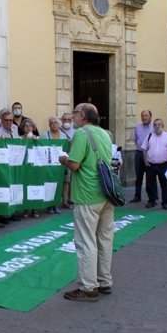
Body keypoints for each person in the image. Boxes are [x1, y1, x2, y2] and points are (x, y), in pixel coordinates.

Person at [58, 103, 115, 302]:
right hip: (106, 194)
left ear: (82, 116)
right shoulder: (105, 134)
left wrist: (64, 159)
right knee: (104, 239)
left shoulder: (82, 134)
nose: (72, 117)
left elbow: (74, 164)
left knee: (85, 242)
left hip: (87, 195)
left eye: (74, 113)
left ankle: (89, 287)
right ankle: (104, 280)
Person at [141, 119, 167, 210]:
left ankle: (165, 202)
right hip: (151, 165)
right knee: (149, 184)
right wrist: (145, 161)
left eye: (159, 124)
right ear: (153, 126)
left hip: (164, 165)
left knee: (165, 184)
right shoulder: (149, 136)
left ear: (163, 126)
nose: (157, 126)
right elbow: (144, 149)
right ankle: (152, 200)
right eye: (155, 125)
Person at [43, 116, 68, 214]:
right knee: (49, 185)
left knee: (59, 185)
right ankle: (49, 206)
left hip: (60, 164)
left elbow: (66, 149)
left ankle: (56, 205)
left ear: (59, 124)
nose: (54, 125)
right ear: (49, 125)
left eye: (55, 123)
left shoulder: (63, 136)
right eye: (52, 123)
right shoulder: (45, 135)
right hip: (49, 165)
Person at [19, 118, 40, 219]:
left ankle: (35, 208)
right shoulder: (20, 138)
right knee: (25, 186)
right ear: (23, 128)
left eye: (30, 126)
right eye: (26, 126)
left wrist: (35, 139)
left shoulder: (37, 138)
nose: (28, 128)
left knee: (34, 185)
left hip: (34, 166)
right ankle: (26, 208)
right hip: (24, 166)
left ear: (33, 127)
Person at [131, 110, 153, 203]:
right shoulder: (137, 127)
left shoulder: (154, 127)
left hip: (150, 153)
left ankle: (151, 198)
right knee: (138, 176)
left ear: (150, 117)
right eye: (142, 116)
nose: (144, 118)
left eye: (146, 116)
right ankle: (137, 195)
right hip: (139, 153)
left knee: (150, 177)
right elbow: (135, 140)